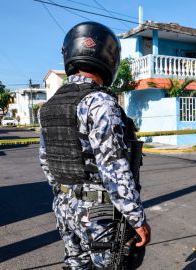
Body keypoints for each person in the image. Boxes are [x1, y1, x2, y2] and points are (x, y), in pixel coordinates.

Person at [39, 21, 150, 269]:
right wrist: (136, 218)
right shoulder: (99, 102)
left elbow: (46, 163)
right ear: (108, 57)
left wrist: (69, 196)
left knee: (75, 264)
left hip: (63, 206)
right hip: (97, 212)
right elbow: (113, 166)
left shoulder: (49, 106)